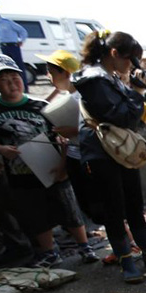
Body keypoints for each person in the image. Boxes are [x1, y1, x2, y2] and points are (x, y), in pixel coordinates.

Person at [73, 30, 146, 284]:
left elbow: (134, 119)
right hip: (102, 153)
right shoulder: (93, 79)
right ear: (114, 54)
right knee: (114, 208)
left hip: (120, 150)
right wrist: (138, 91)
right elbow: (123, 117)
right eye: (130, 59)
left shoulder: (110, 78)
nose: (132, 66)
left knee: (134, 204)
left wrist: (145, 94)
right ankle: (127, 262)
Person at [0, 53, 98, 267]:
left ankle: (85, 246)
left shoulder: (40, 105)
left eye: (14, 77)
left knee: (68, 208)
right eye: (3, 80)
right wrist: (0, 149)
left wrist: (63, 165)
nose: (11, 83)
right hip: (19, 173)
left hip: (51, 167)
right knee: (34, 213)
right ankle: (50, 252)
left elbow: (62, 139)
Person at [38, 49, 98, 234]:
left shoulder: (85, 98)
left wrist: (73, 131)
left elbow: (100, 130)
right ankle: (123, 246)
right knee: (91, 206)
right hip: (75, 158)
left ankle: (128, 245)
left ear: (65, 73)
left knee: (101, 204)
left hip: (92, 158)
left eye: (51, 71)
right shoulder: (65, 99)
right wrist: (63, 164)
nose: (49, 76)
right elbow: (67, 141)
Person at [0, 3, 28, 93]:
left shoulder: (7, 22)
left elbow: (22, 31)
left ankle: (24, 89)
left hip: (13, 46)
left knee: (18, 67)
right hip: (3, 47)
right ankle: (12, 88)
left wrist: (21, 40)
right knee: (7, 69)